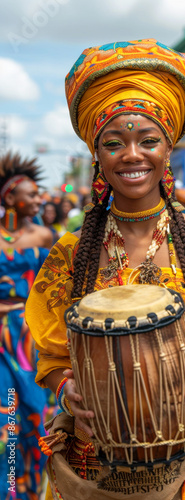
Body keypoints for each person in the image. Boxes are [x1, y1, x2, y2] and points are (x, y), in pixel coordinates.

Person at [25, 39, 185, 499]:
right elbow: (48, 357)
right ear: (97, 155)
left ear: (167, 148)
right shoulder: (70, 253)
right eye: (114, 142)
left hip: (180, 464)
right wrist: (66, 393)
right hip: (89, 465)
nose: (132, 155)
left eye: (148, 140)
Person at [0, 152, 53, 499]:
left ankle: (32, 490)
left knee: (35, 410)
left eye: (38, 195)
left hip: (29, 337)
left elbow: (54, 291)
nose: (38, 200)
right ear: (9, 198)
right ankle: (7, 490)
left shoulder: (44, 237)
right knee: (6, 416)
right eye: (31, 195)